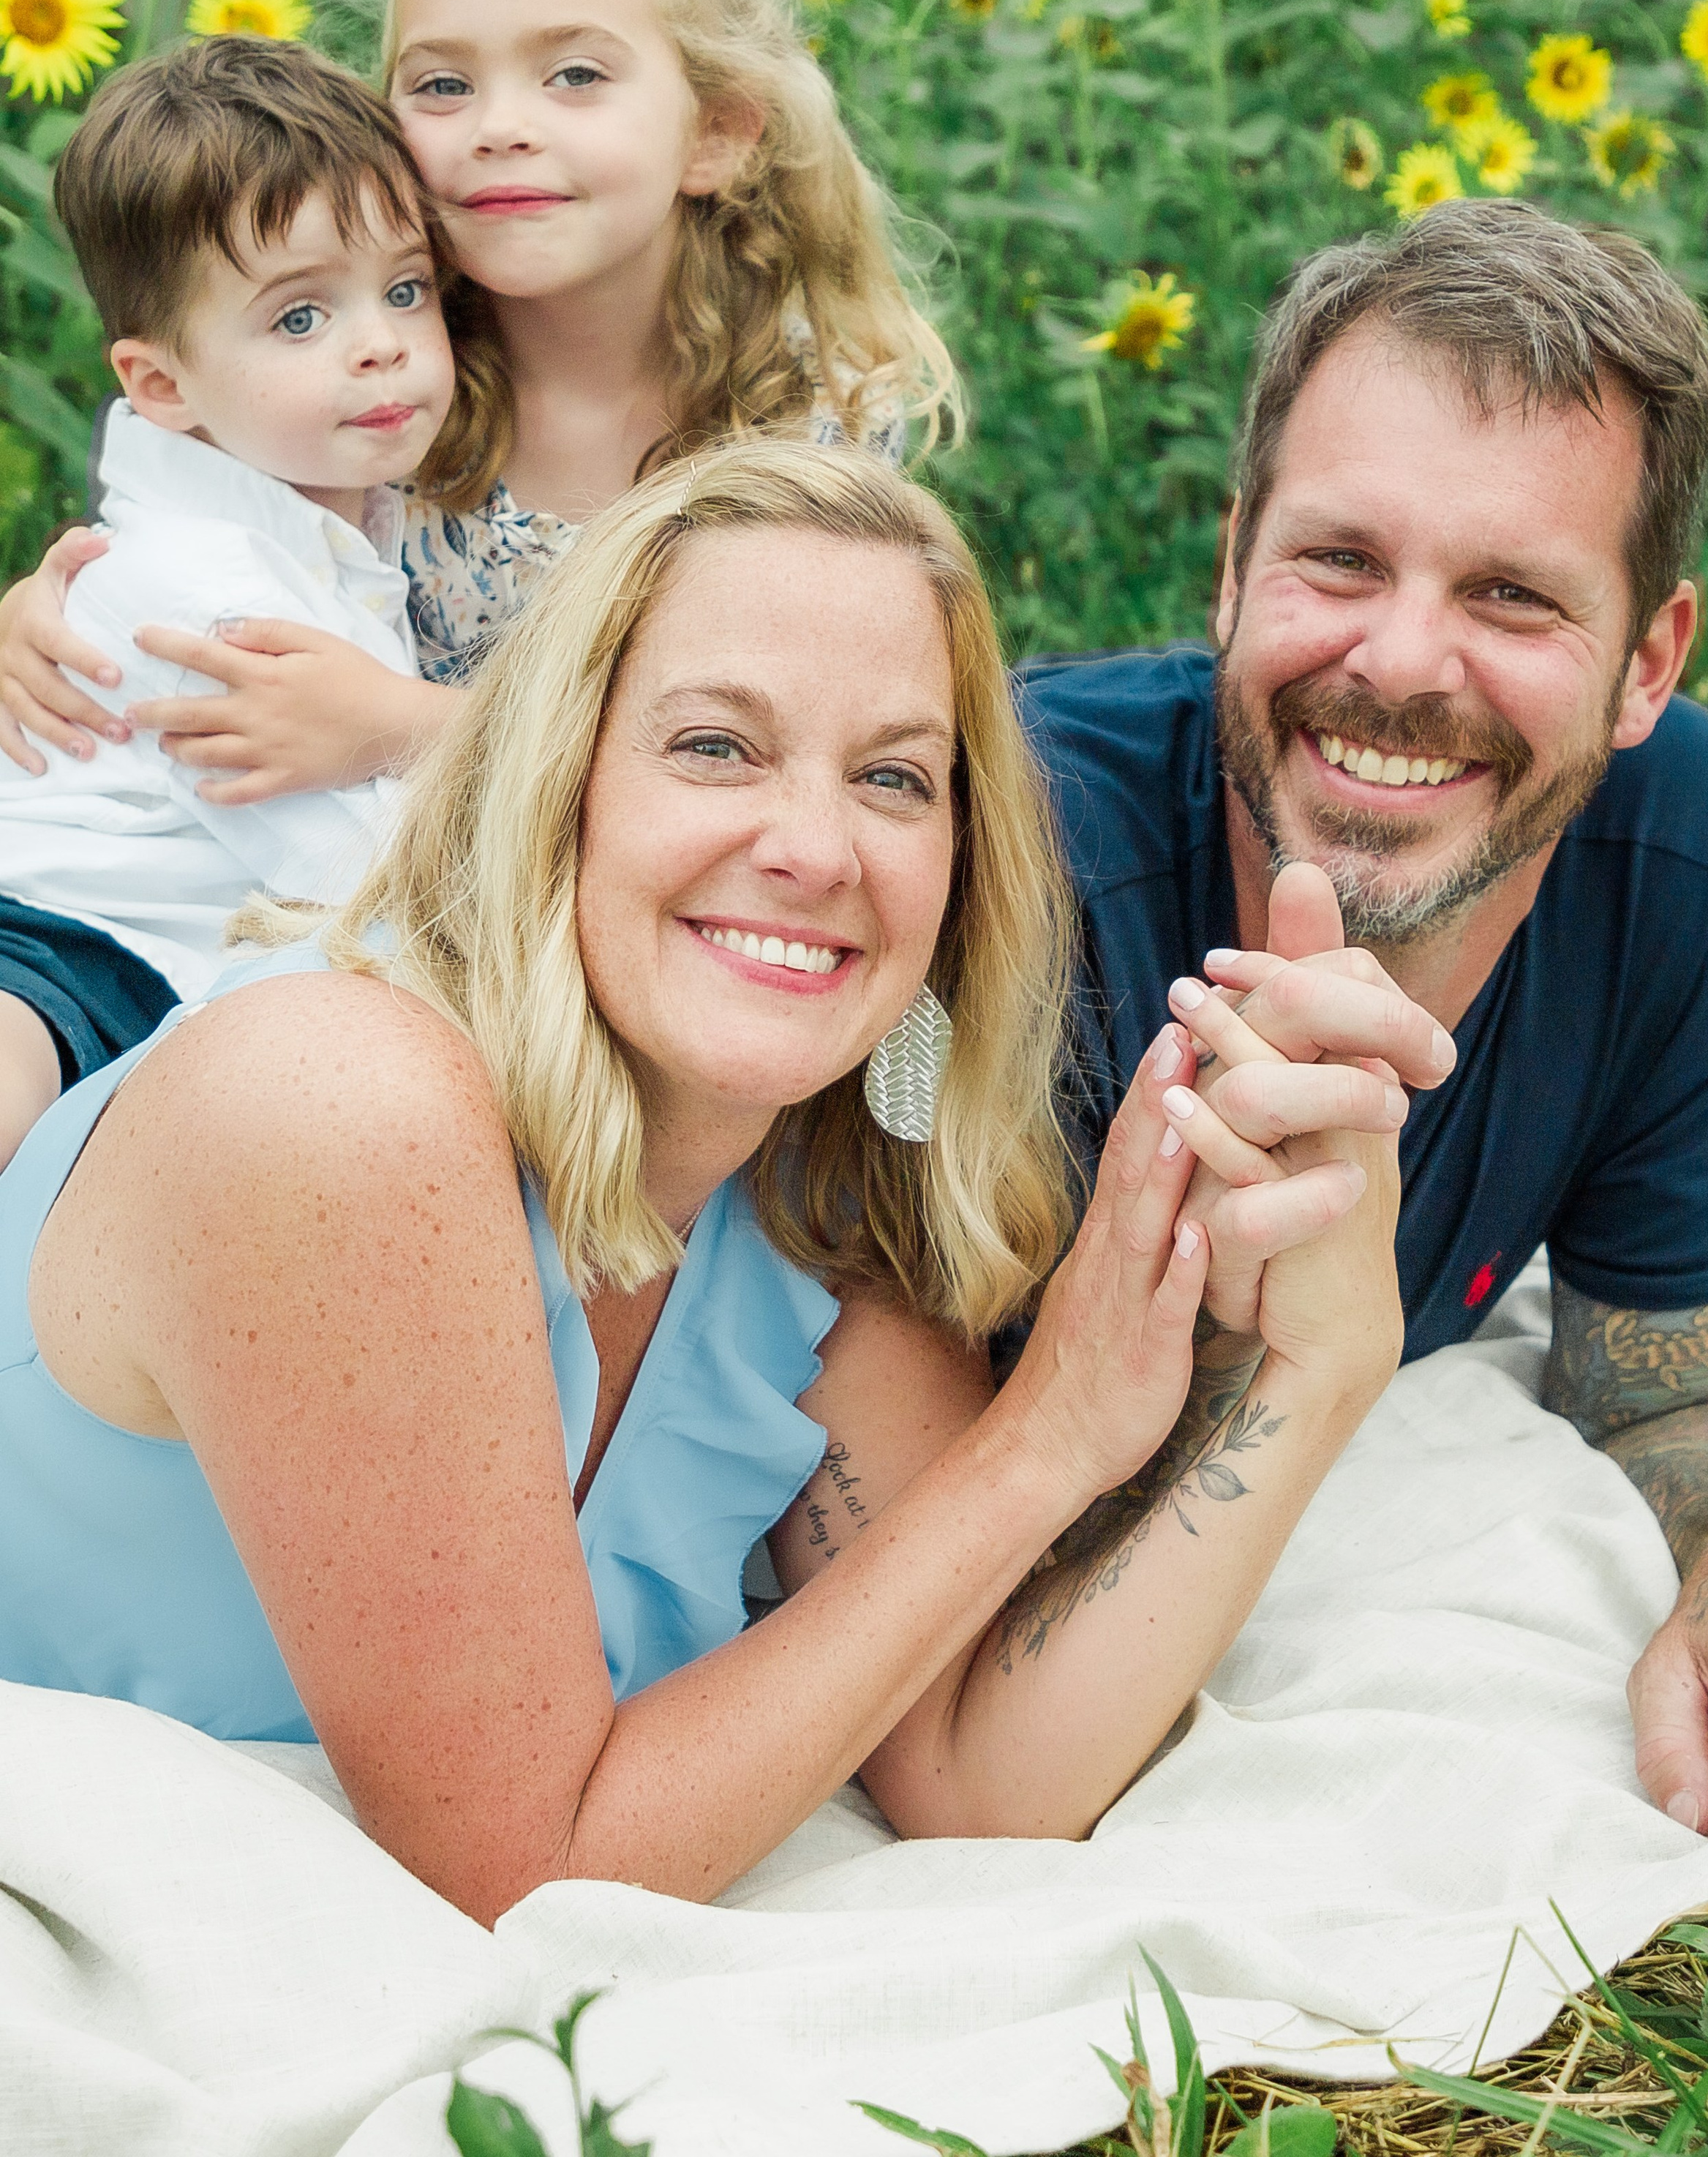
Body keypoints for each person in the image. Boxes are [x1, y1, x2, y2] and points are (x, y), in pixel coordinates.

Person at [0, 439, 1450, 1923]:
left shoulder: (797, 1203)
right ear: (554, 777)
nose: (814, 849)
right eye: (714, 747)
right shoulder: (340, 1101)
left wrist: (1320, 1352)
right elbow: (527, 1873)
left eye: (892, 777)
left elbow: (977, 1772)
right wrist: (1046, 1430)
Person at [1016, 196, 1708, 1845]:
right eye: (1337, 558)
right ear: (1230, 566)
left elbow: (1663, 1377)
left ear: (1644, 662)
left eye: (1511, 597)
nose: (1401, 662)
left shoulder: (1675, 848)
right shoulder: (1012, 866)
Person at [0, 0, 952, 788]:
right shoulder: (376, 375)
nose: (501, 127)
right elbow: (187, 519)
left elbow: (799, 756)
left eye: (575, 74)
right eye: (443, 84)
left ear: (716, 130)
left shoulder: (806, 416)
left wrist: (408, 726)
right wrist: (60, 606)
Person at [0, 36, 456, 1168]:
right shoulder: (202, 596)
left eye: (406, 289)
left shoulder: (329, 522)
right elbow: (367, 878)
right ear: (160, 385)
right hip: (59, 951)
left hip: (159, 985)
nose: (382, 346)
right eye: (301, 318)